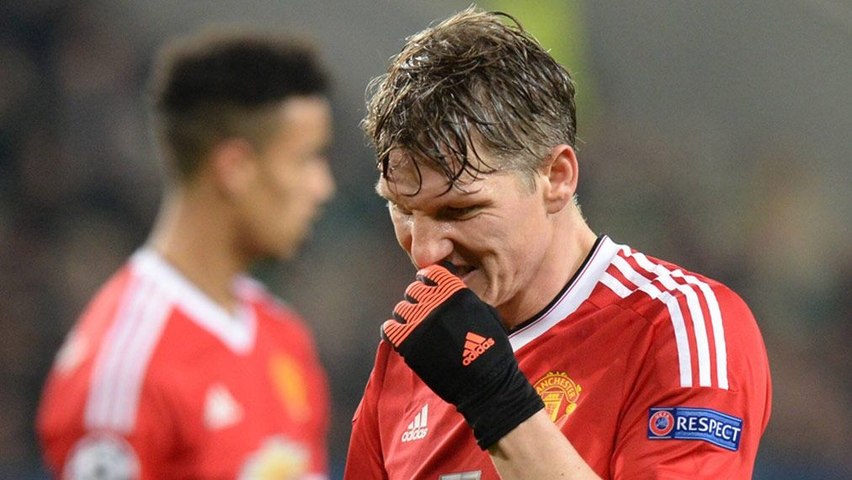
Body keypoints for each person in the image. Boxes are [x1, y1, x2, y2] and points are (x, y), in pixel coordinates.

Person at [344, 7, 771, 480]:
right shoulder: (410, 357)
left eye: (459, 210)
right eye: (403, 209)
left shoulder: (676, 327)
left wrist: (496, 402)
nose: (425, 252)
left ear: (557, 178)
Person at [37, 27, 335, 479]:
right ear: (235, 168)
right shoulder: (125, 371)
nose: (322, 187)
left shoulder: (285, 337)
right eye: (305, 159)